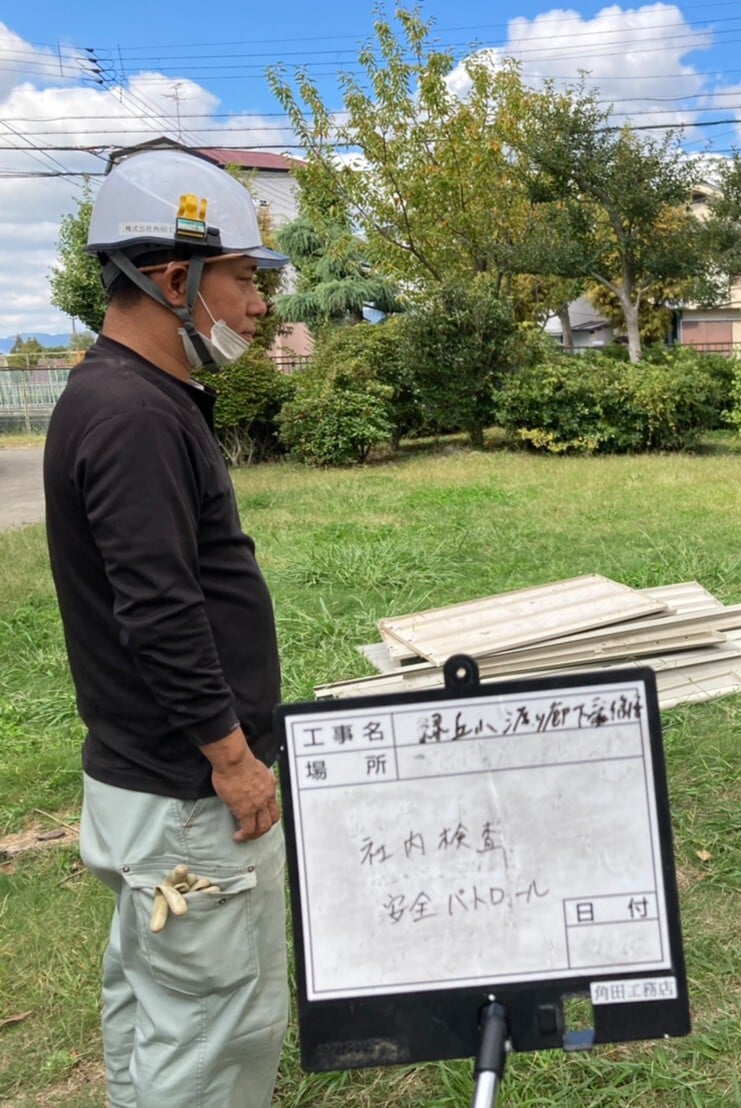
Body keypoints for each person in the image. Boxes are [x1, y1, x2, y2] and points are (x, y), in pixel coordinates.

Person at [44, 148, 291, 1105]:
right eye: (243, 280)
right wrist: (231, 759)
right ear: (176, 280)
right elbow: (159, 609)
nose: (258, 307)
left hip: (137, 782)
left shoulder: (110, 394)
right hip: (188, 795)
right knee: (213, 1027)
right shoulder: (135, 415)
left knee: (153, 1002)